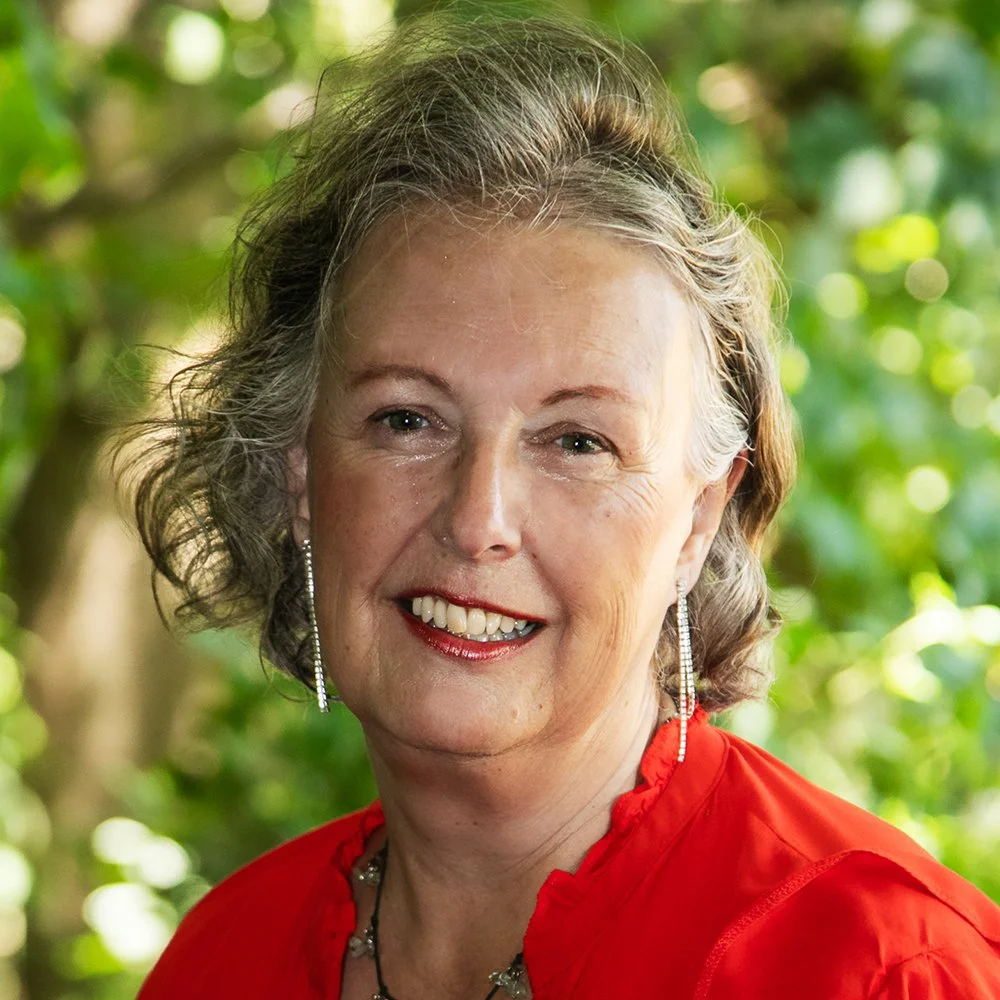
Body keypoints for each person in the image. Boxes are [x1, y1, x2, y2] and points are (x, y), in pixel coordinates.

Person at [131, 12, 1000, 1000]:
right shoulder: (223, 959)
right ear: (301, 476)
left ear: (696, 521)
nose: (477, 520)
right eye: (407, 419)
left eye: (578, 441)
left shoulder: (879, 967)